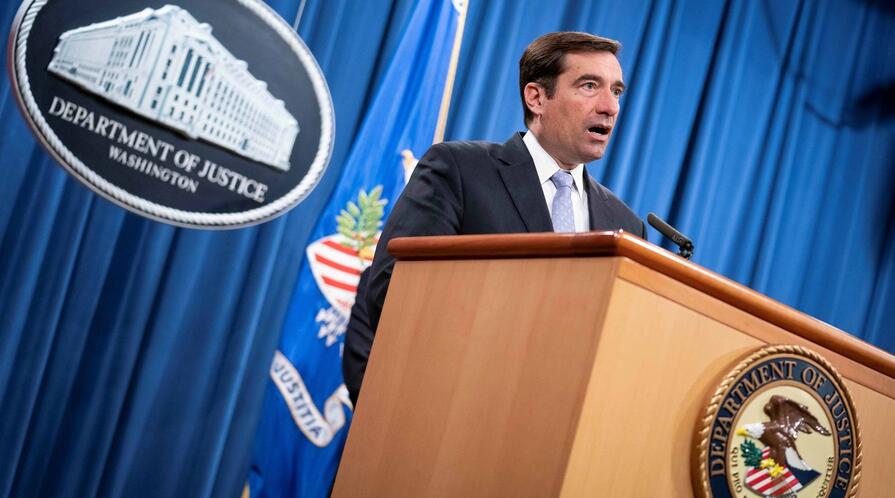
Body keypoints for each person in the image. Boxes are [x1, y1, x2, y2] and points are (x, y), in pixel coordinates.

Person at [342, 31, 645, 407]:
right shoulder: (460, 170)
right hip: (453, 409)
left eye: (616, 91)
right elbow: (394, 290)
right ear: (536, 97)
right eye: (589, 86)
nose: (610, 107)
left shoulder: (627, 227)